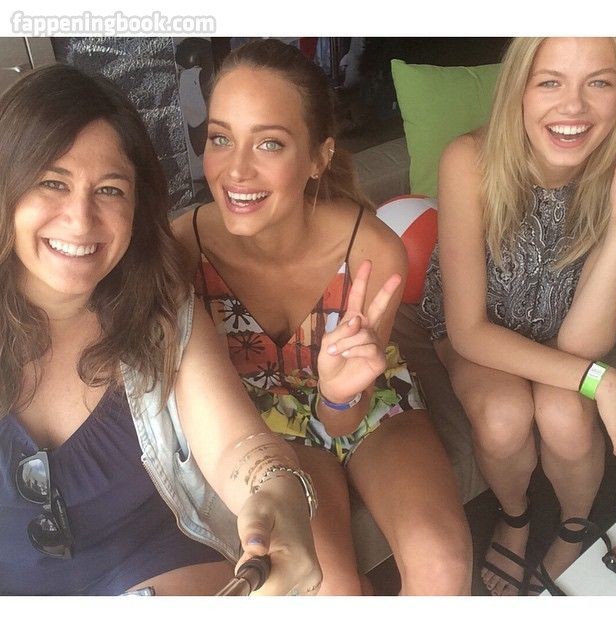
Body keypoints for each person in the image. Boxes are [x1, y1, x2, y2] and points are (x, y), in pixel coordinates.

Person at [0, 63, 321, 596]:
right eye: (52, 183)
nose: (80, 218)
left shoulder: (161, 311)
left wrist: (277, 493)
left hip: (148, 563)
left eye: (110, 190)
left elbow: (235, 444)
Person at [172, 39, 472, 595]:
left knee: (443, 567)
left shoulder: (372, 251)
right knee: (329, 595)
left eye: (269, 143)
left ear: (318, 156)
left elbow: (342, 418)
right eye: (220, 138)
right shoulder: (183, 249)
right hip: (263, 426)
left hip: (366, 404)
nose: (236, 170)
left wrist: (336, 394)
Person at [418, 37, 616, 596]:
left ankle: (572, 528)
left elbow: (584, 341)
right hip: (477, 333)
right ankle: (515, 518)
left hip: (563, 338)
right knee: (502, 416)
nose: (574, 106)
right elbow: (469, 331)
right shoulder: (469, 161)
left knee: (566, 419)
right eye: (550, 81)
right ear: (518, 88)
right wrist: (602, 381)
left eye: (599, 82)